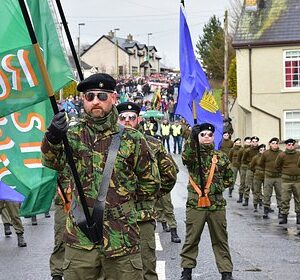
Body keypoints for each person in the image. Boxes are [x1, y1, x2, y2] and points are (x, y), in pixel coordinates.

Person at [41, 73, 160, 280]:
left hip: (121, 236)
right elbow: (52, 162)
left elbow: (151, 182)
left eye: (102, 96)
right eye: (89, 96)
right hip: (81, 236)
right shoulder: (71, 134)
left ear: (114, 98)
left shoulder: (133, 138)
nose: (95, 101)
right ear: (83, 100)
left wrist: (122, 202)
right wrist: (51, 137)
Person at [116, 101, 179, 279]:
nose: (127, 121)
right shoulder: (107, 146)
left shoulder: (152, 144)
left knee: (146, 267)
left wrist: (150, 195)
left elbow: (170, 175)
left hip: (141, 215)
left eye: (131, 117)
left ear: (138, 120)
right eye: (122, 118)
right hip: (113, 218)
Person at [180, 123, 234, 280]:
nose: (206, 137)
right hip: (195, 204)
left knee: (220, 239)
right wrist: (191, 137)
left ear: (213, 137)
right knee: (192, 238)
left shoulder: (221, 156)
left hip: (216, 204)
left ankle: (226, 272)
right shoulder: (193, 155)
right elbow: (186, 156)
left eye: (209, 135)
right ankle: (187, 271)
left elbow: (229, 178)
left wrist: (215, 189)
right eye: (202, 135)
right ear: (198, 137)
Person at [276, 139, 300, 224]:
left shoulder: (298, 154)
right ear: (286, 145)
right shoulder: (282, 155)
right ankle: (284, 216)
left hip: (297, 180)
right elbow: (277, 166)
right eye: (289, 144)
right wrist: (284, 173)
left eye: (292, 144)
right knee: (285, 199)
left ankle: (299, 217)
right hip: (286, 180)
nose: (291, 146)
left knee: (298, 199)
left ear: (294, 145)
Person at [259, 137, 282, 219]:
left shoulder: (281, 153)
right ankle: (266, 210)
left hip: (279, 177)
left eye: (276, 143)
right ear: (270, 144)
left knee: (280, 194)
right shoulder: (266, 153)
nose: (275, 145)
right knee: (267, 194)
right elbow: (261, 163)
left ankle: (281, 211)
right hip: (268, 177)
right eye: (273, 143)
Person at [241, 136, 260, 206]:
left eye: (256, 141)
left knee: (257, 185)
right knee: (247, 184)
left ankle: (259, 199)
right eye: (253, 141)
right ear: (251, 142)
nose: (254, 143)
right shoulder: (247, 150)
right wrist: (249, 164)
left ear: (258, 142)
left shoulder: (260, 150)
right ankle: (246, 199)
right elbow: (243, 160)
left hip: (258, 169)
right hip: (249, 169)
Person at [250, 144, 266, 212]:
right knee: (256, 190)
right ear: (259, 150)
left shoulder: (267, 157)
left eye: (264, 150)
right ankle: (255, 205)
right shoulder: (255, 157)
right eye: (261, 150)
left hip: (266, 176)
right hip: (257, 175)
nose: (262, 151)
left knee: (267, 191)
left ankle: (265, 205)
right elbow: (251, 167)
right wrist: (257, 171)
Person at [236, 137, 251, 203]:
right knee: (243, 183)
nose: (248, 143)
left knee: (248, 184)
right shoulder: (241, 150)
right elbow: (238, 160)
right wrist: (241, 166)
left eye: (249, 142)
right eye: (247, 142)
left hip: (251, 168)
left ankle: (247, 198)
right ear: (244, 142)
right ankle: (241, 197)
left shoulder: (252, 150)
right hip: (244, 167)